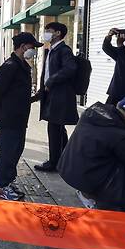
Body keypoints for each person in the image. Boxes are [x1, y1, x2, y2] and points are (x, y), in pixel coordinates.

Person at [58, 96, 125, 212]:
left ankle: (87, 194)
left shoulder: (91, 113)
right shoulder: (120, 135)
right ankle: (96, 201)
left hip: (69, 169)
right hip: (88, 179)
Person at [0, 32, 43, 201]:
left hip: (19, 118)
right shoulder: (10, 66)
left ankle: (8, 182)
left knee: (15, 152)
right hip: (9, 119)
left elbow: (19, 96)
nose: (33, 50)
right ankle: (1, 187)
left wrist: (37, 97)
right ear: (23, 46)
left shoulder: (21, 65)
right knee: (7, 153)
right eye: (32, 47)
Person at [33, 22, 78, 173]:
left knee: (54, 128)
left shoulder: (63, 50)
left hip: (60, 95)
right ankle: (64, 159)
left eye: (49, 31)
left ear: (58, 33)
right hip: (53, 93)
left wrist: (51, 81)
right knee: (58, 128)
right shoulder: (52, 49)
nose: (46, 33)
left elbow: (70, 68)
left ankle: (54, 162)